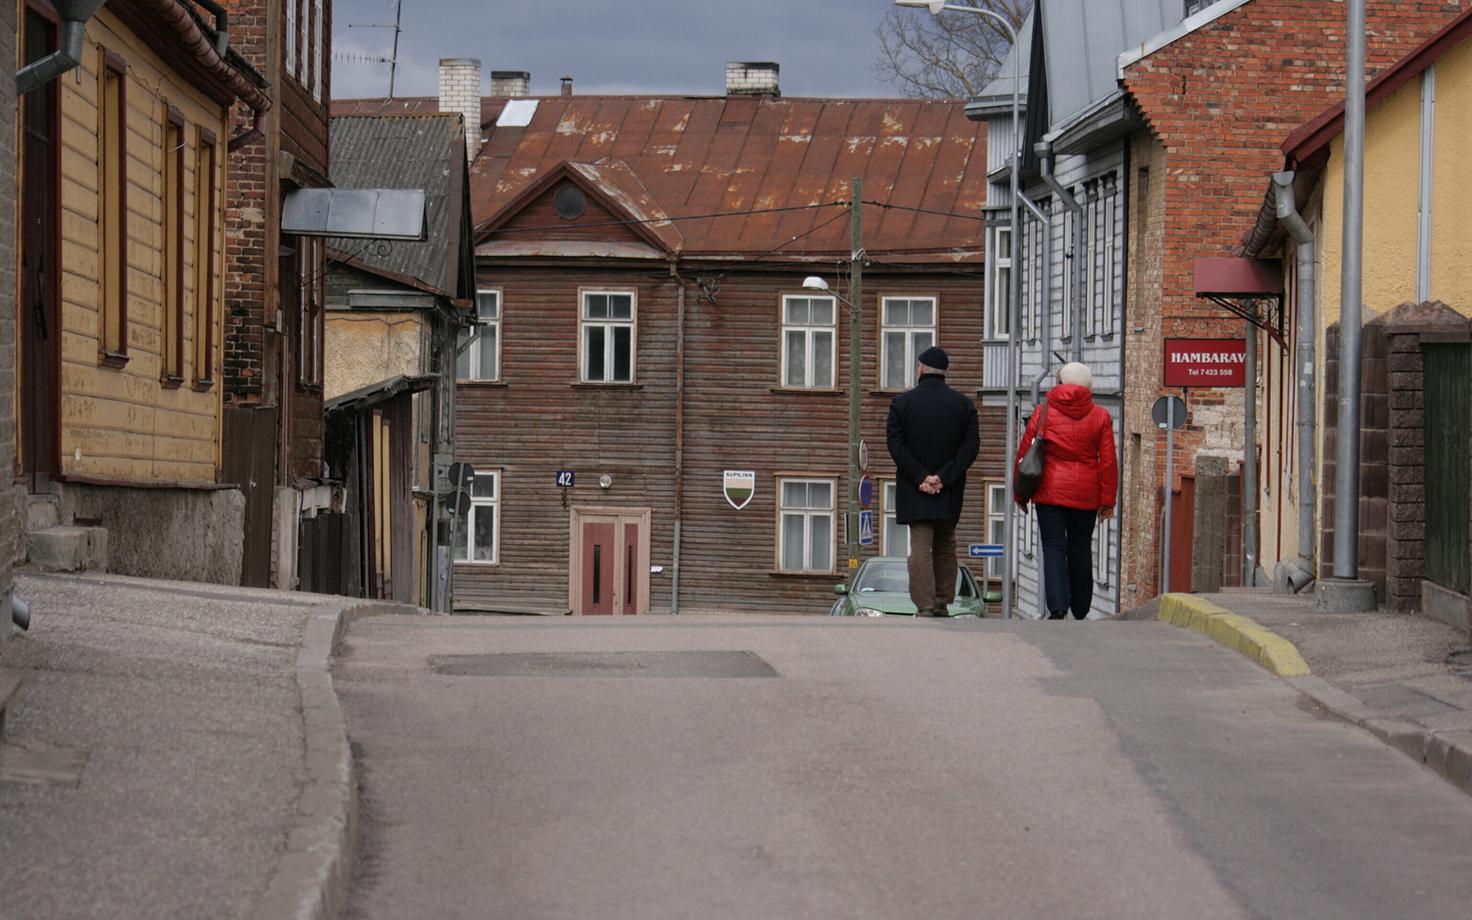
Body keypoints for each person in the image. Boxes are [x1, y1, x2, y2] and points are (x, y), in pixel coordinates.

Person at [1014, 362, 1118, 620]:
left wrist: (1021, 494)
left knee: (1053, 547)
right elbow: (1107, 461)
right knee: (1080, 547)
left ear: (1060, 383)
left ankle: (1058, 607)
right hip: (1086, 494)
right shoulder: (1100, 416)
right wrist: (1107, 502)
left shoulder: (1043, 412)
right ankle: (1081, 608)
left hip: (1050, 492)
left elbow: (1026, 453)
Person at [885, 346, 980, 617]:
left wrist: (921, 476)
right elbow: (970, 448)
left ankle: (924, 605)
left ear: (921, 369)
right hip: (949, 490)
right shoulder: (963, 405)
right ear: (944, 373)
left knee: (920, 547)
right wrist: (943, 477)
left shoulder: (902, 404)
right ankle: (941, 602)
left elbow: (896, 445)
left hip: (915, 488)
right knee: (946, 544)